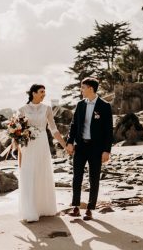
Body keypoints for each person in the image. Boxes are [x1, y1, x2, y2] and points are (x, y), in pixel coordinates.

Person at [18, 84, 67, 222]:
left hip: (42, 144)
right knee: (29, 174)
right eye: (41, 92)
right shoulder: (22, 110)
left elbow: (54, 129)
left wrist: (64, 145)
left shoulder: (47, 109)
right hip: (28, 146)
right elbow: (18, 133)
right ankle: (30, 211)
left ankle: (44, 208)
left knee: (42, 172)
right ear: (33, 93)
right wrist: (18, 151)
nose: (44, 94)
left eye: (45, 92)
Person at [66, 77, 113, 220]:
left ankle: (90, 209)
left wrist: (107, 151)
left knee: (94, 179)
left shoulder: (104, 106)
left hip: (96, 148)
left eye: (83, 87)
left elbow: (108, 131)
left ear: (90, 88)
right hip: (80, 146)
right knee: (77, 177)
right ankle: (75, 207)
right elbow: (73, 125)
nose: (81, 90)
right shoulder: (80, 105)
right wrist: (69, 142)